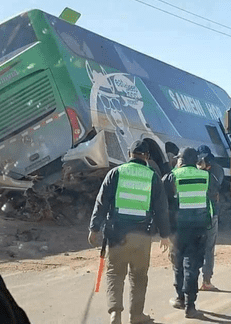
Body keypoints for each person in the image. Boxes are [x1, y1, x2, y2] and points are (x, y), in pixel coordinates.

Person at [88, 139, 171, 324]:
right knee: (139, 276)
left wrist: (94, 228)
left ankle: (115, 314)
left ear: (128, 154)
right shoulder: (152, 176)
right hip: (142, 235)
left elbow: (101, 203)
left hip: (116, 234)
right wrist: (165, 235)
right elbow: (161, 209)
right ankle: (136, 316)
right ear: (147, 157)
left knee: (114, 274)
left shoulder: (115, 173)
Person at [162, 147, 213, 318]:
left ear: (181, 160)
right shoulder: (205, 176)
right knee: (192, 266)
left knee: (178, 263)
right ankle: (190, 306)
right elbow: (212, 197)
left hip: (178, 229)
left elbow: (164, 203)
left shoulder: (173, 176)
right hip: (199, 228)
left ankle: (180, 298)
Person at [196, 145, 224, 291]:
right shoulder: (201, 170)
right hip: (200, 213)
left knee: (207, 248)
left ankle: (206, 280)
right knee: (203, 248)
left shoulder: (215, 170)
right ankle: (199, 280)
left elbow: (213, 188)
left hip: (209, 213)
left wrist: (201, 171)